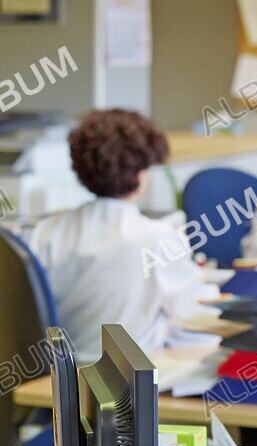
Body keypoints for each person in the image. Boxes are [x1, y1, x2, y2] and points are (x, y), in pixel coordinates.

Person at [29, 109, 219, 363]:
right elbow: (199, 325)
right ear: (141, 175)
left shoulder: (46, 232)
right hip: (132, 387)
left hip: (58, 384)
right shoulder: (157, 238)